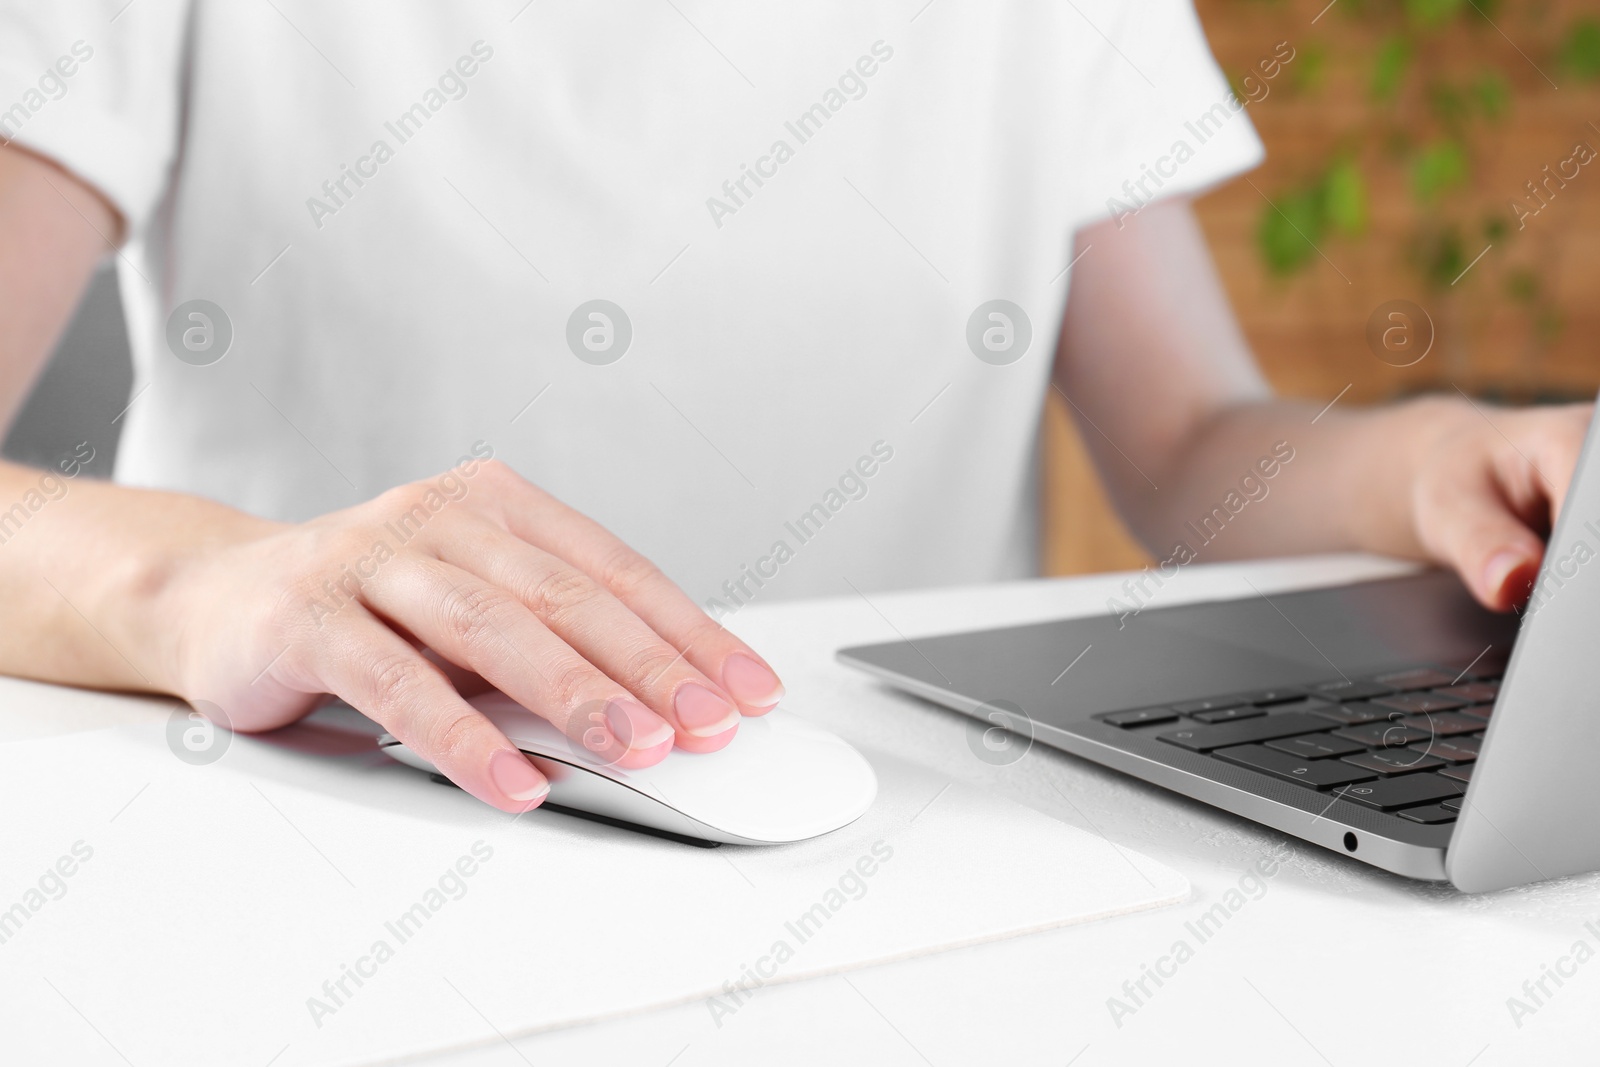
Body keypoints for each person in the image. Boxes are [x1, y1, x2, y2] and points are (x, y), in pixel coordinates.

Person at [0, 2, 1586, 814]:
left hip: (923, 844)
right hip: (351, 807)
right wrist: (200, 580)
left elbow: (1189, 448)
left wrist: (1438, 458)